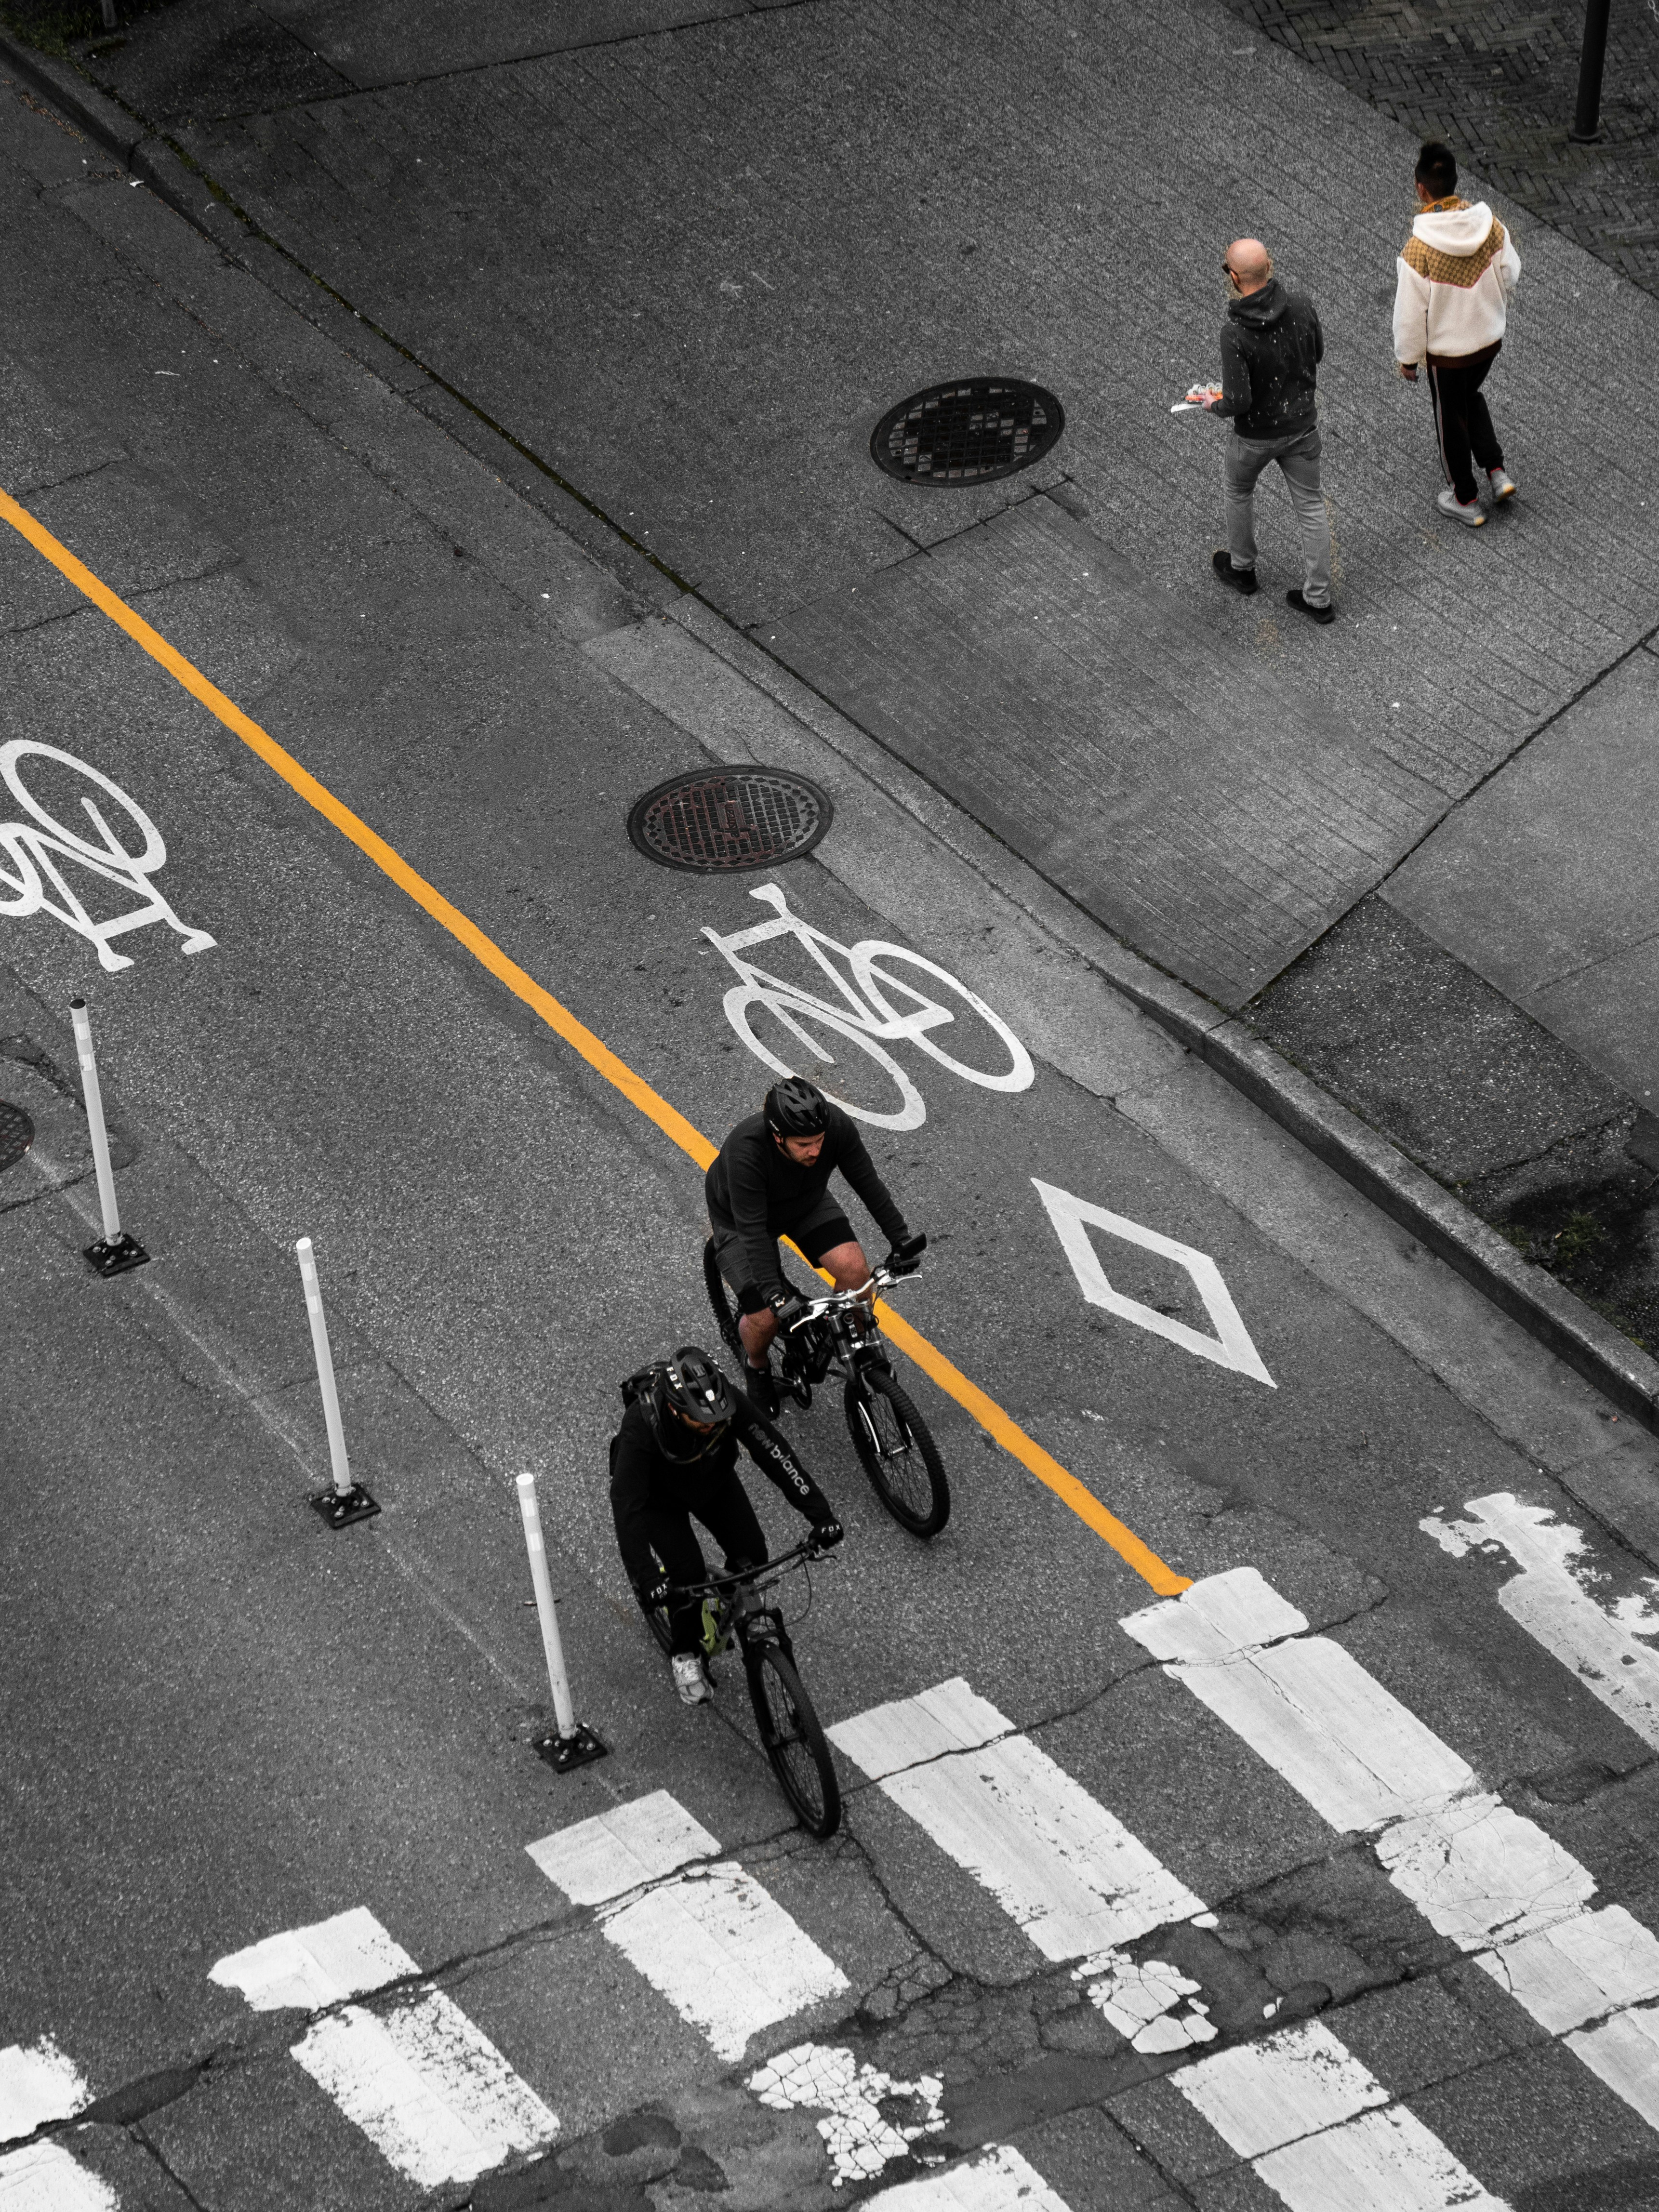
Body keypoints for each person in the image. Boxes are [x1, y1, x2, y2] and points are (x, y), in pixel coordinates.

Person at [610, 1346, 844, 1706]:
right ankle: (685, 1654)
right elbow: (626, 1508)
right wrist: (647, 1577)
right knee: (685, 1575)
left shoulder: (726, 1405)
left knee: (753, 1555)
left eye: (718, 1421)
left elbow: (775, 1452)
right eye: (702, 1423)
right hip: (660, 1502)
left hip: (713, 1483)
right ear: (675, 1409)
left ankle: (722, 1604)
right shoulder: (641, 1425)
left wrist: (821, 1515)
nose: (713, 1427)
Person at [706, 1076, 923, 1417]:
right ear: (778, 1136)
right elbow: (752, 1231)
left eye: (819, 1140)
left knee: (855, 1272)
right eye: (804, 1144)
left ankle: (857, 1343)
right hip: (741, 1220)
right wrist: (774, 1295)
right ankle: (757, 1366)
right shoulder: (745, 1151)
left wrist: (901, 1239)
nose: (816, 1151)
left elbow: (867, 1182)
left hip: (805, 1201)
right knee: (764, 1317)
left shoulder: (835, 1126)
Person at [1192, 237, 1334, 626]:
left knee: (1238, 490)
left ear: (1235, 278)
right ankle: (1318, 598)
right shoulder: (1302, 305)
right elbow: (1316, 353)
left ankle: (1242, 569)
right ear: (1269, 267)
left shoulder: (1234, 333)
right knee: (1310, 506)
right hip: (1302, 428)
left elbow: (1238, 401)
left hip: (1254, 437)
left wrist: (1212, 405)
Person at [1393, 140, 1521, 528]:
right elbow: (1510, 272)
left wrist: (1408, 358)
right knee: (1469, 396)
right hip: (1488, 340)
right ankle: (1496, 470)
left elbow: (1411, 314)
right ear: (1454, 182)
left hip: (1447, 354)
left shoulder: (1418, 251)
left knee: (1448, 416)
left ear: (1421, 189)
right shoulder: (1490, 226)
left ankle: (1464, 497)